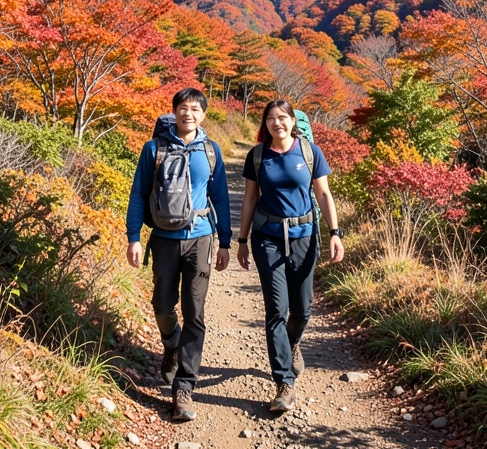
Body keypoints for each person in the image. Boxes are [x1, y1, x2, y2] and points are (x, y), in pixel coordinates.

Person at [125, 88, 232, 422]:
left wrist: (225, 241)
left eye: (196, 109)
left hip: (200, 239)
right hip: (164, 239)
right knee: (162, 305)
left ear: (203, 115)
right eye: (183, 108)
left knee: (195, 312)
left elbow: (222, 198)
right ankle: (171, 343)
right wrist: (134, 237)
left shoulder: (211, 152)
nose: (189, 114)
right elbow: (138, 194)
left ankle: (184, 387)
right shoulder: (153, 148)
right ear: (174, 112)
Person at [237, 99, 344, 413]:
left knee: (302, 309)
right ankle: (284, 383)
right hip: (267, 237)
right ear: (265, 123)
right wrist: (241, 240)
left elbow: (323, 194)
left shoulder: (309, 152)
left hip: (305, 237)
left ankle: (292, 344)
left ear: (292, 121)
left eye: (282, 118)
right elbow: (249, 198)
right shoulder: (257, 156)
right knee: (276, 310)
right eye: (270, 118)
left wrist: (335, 233)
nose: (276, 123)